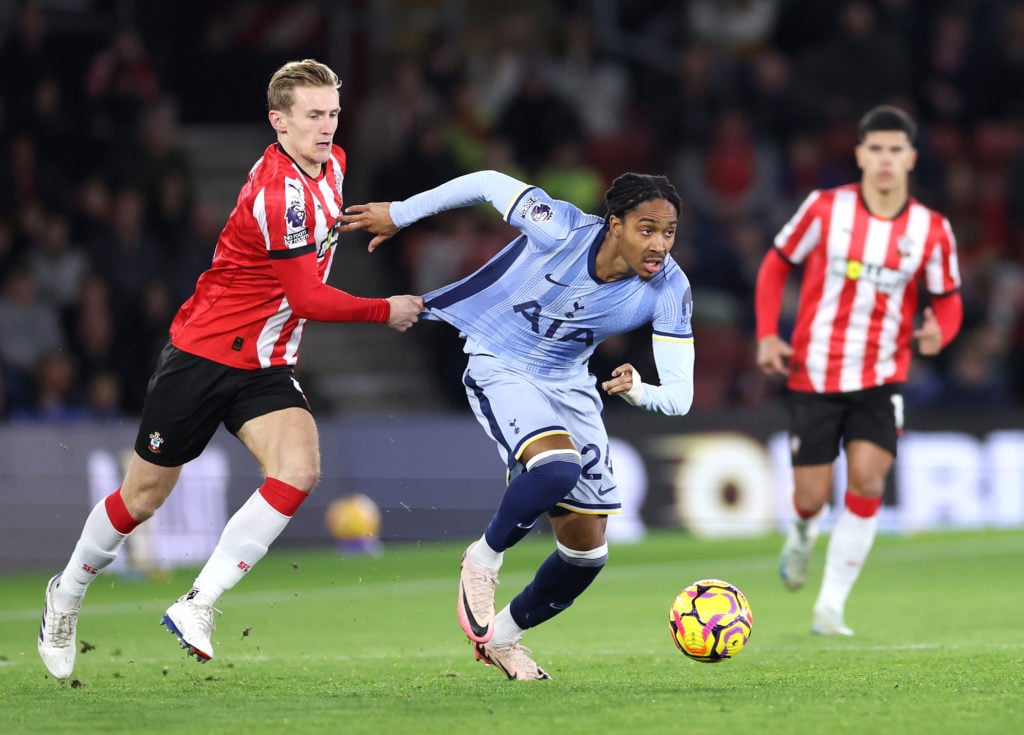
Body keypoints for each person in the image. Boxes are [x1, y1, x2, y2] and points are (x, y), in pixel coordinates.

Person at [36, 59, 424, 680]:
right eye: (313, 116)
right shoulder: (279, 193)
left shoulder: (335, 165)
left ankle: (199, 602)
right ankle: (66, 595)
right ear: (279, 122)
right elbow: (308, 299)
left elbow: (314, 245)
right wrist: (387, 309)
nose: (327, 128)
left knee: (298, 469)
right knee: (142, 497)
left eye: (332, 114)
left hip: (265, 363)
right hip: (203, 354)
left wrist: (374, 219)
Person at [340, 171, 695, 679]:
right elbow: (486, 181)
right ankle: (483, 560)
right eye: (647, 229)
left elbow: (680, 397)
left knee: (586, 553)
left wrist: (638, 389)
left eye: (669, 232)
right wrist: (400, 212)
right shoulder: (561, 229)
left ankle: (502, 638)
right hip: (501, 361)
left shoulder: (670, 288)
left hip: (568, 381)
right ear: (614, 225)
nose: (659, 244)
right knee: (557, 467)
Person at [754, 104, 963, 636]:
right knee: (811, 498)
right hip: (815, 374)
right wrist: (767, 334)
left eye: (896, 150)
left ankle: (830, 607)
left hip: (882, 376)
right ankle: (801, 535)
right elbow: (777, 263)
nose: (886, 159)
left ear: (911, 158)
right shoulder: (825, 209)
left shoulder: (931, 230)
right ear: (860, 155)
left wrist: (944, 329)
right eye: (877, 149)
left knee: (869, 480)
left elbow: (949, 299)